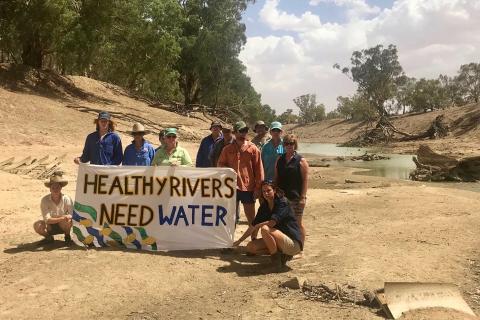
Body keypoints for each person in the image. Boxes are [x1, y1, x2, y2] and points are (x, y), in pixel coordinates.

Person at [233, 180, 303, 271]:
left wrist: (257, 226)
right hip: (279, 240)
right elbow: (252, 226)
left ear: (274, 190)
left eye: (268, 190)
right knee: (250, 247)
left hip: (292, 243)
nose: (266, 193)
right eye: (263, 191)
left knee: (265, 229)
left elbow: (271, 223)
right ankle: (282, 255)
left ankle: (276, 263)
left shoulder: (282, 202)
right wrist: (239, 241)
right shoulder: (264, 206)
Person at [217, 121, 264, 225]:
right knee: (230, 218)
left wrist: (258, 188)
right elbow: (220, 165)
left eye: (246, 131)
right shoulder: (227, 149)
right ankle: (230, 241)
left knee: (251, 218)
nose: (244, 133)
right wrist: (228, 170)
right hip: (231, 187)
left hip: (248, 188)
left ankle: (254, 239)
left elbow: (259, 170)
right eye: (241, 131)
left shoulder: (254, 148)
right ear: (234, 132)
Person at [275, 134, 309, 247]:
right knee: (284, 223)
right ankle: (288, 246)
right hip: (282, 198)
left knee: (297, 223)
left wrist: (303, 197)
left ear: (295, 144)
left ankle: (300, 248)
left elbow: (305, 180)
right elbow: (276, 178)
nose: (289, 146)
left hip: (296, 197)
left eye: (291, 143)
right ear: (283, 145)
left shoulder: (301, 161)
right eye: (286, 143)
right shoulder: (279, 160)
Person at [33, 173, 73, 244]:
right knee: (37, 225)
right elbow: (47, 220)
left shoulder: (67, 198)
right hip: (50, 226)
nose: (55, 190)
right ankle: (48, 237)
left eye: (57, 187)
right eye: (53, 188)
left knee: (69, 220)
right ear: (50, 189)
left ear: (61, 188)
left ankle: (67, 236)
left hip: (63, 225)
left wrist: (66, 218)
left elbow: (72, 215)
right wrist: (62, 218)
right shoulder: (45, 200)